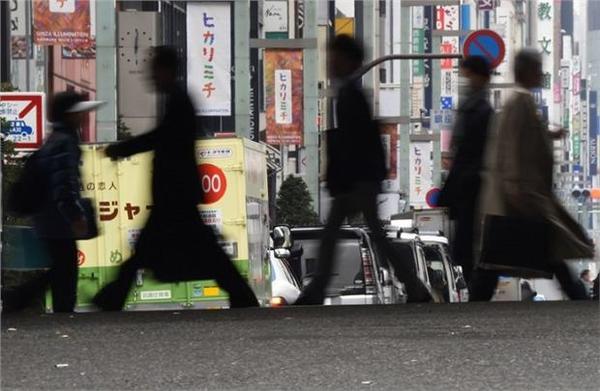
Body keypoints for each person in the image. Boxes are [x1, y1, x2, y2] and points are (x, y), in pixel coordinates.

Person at [92, 46, 258, 310]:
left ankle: (111, 298)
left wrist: (123, 149)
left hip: (175, 194)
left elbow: (162, 138)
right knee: (195, 250)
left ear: (167, 70)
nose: (151, 76)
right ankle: (242, 296)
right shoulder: (178, 99)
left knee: (178, 250)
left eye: (155, 69)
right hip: (176, 194)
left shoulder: (179, 101)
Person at [295, 35, 430, 305]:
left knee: (337, 233)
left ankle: (318, 288)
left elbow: (352, 141)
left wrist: (342, 177)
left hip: (356, 180)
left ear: (348, 60)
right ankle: (414, 287)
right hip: (362, 178)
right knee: (372, 235)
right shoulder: (350, 91)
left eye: (334, 56)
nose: (329, 61)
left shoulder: (349, 94)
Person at [473, 49, 594, 301]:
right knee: (538, 251)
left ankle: (576, 293)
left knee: (503, 257)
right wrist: (515, 187)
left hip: (518, 193)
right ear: (527, 71)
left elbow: (521, 138)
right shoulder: (520, 100)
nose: (541, 74)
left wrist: (548, 134)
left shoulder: (519, 99)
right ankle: (578, 295)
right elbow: (512, 146)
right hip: (519, 194)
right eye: (538, 69)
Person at [1, 92, 103, 313]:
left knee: (61, 268)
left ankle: (28, 300)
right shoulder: (65, 142)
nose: (84, 116)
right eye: (80, 112)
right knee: (65, 270)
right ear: (69, 115)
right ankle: (29, 301)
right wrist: (74, 216)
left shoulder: (56, 139)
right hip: (58, 220)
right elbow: (63, 183)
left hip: (48, 219)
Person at [438, 56, 493, 283]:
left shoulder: (479, 108)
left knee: (467, 238)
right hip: (471, 180)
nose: (465, 79)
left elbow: (467, 148)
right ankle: (474, 282)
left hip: (470, 181)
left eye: (468, 74)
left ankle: (475, 282)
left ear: (480, 76)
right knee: (468, 237)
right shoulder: (475, 105)